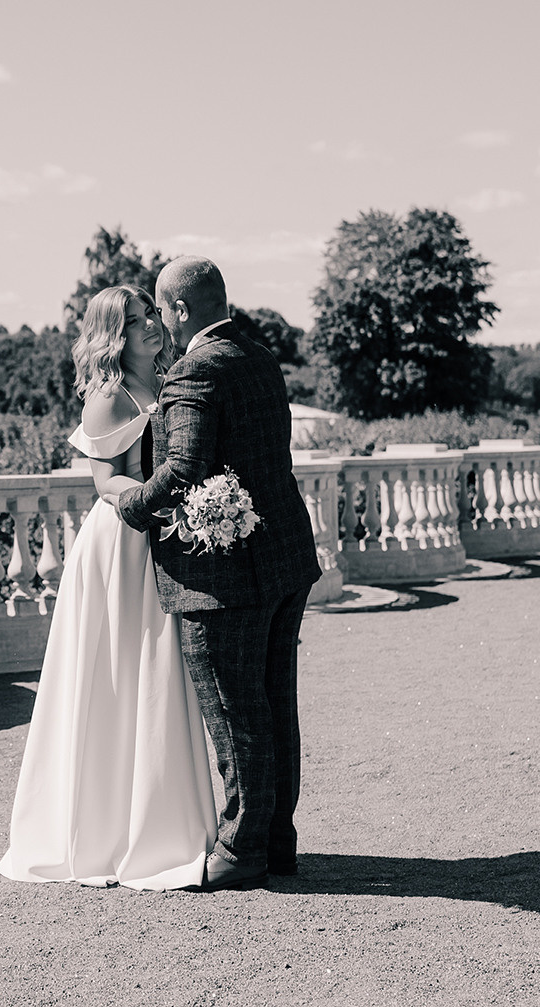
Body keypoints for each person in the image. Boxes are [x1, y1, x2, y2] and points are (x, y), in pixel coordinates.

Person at [0, 285, 218, 891]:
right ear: (113, 334)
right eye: (136, 320)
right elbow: (104, 481)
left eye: (151, 315)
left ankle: (165, 822)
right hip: (124, 544)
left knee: (161, 674)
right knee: (121, 673)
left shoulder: (172, 380)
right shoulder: (109, 397)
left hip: (164, 534)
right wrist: (156, 504)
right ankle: (106, 833)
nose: (150, 325)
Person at [117, 255, 321, 890]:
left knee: (235, 714)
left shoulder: (192, 374)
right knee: (274, 707)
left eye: (163, 311)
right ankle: (277, 840)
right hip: (286, 559)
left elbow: (183, 471)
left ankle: (241, 848)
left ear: (180, 310)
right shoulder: (261, 358)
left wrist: (126, 503)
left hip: (224, 579)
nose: (163, 325)